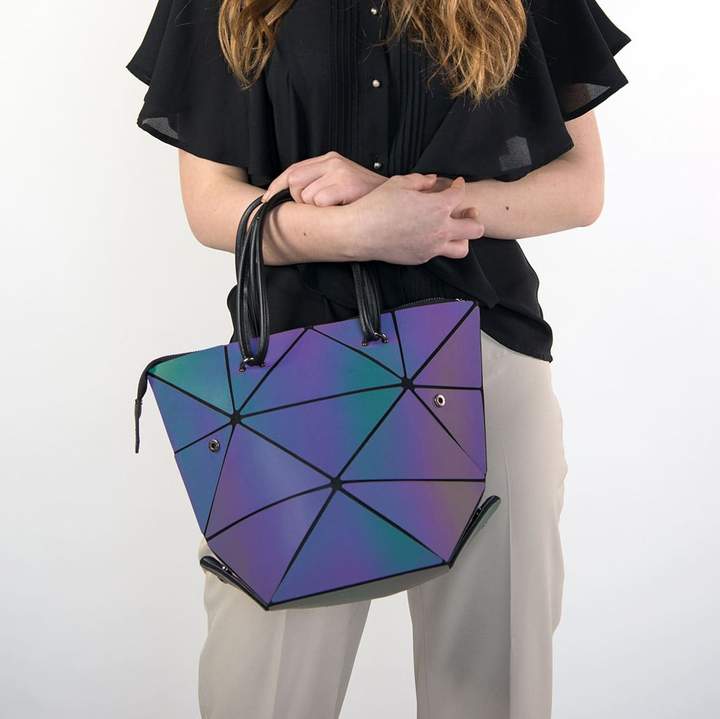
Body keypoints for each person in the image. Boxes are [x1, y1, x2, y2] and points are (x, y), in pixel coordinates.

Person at [126, 1, 630, 717]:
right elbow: (210, 206)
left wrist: (424, 208)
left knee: (495, 690)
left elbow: (580, 187)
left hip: (483, 359)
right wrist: (358, 228)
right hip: (295, 381)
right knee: (261, 689)